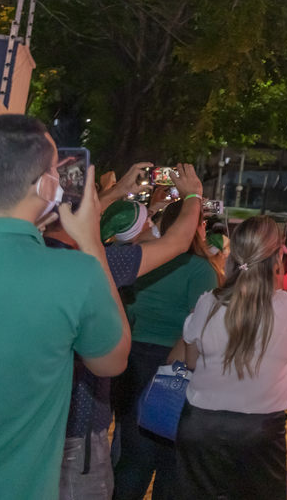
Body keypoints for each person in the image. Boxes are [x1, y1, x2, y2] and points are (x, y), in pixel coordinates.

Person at [0, 114, 130, 500]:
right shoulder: (75, 276)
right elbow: (113, 360)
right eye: (56, 169)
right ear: (46, 185)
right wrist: (92, 243)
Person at [43, 163, 207, 499]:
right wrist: (193, 195)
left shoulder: (35, 252)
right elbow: (177, 242)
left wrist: (116, 192)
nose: (150, 223)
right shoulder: (101, 262)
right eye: (146, 221)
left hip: (34, 427)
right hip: (79, 427)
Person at [171, 217, 287, 498]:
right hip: (260, 433)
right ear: (276, 259)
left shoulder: (207, 303)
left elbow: (189, 364)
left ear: (233, 256)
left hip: (200, 428)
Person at [111, 175, 217, 500]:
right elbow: (201, 331)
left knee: (132, 457)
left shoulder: (145, 259)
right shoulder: (202, 271)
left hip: (132, 361)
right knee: (171, 460)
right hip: (176, 367)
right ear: (193, 227)